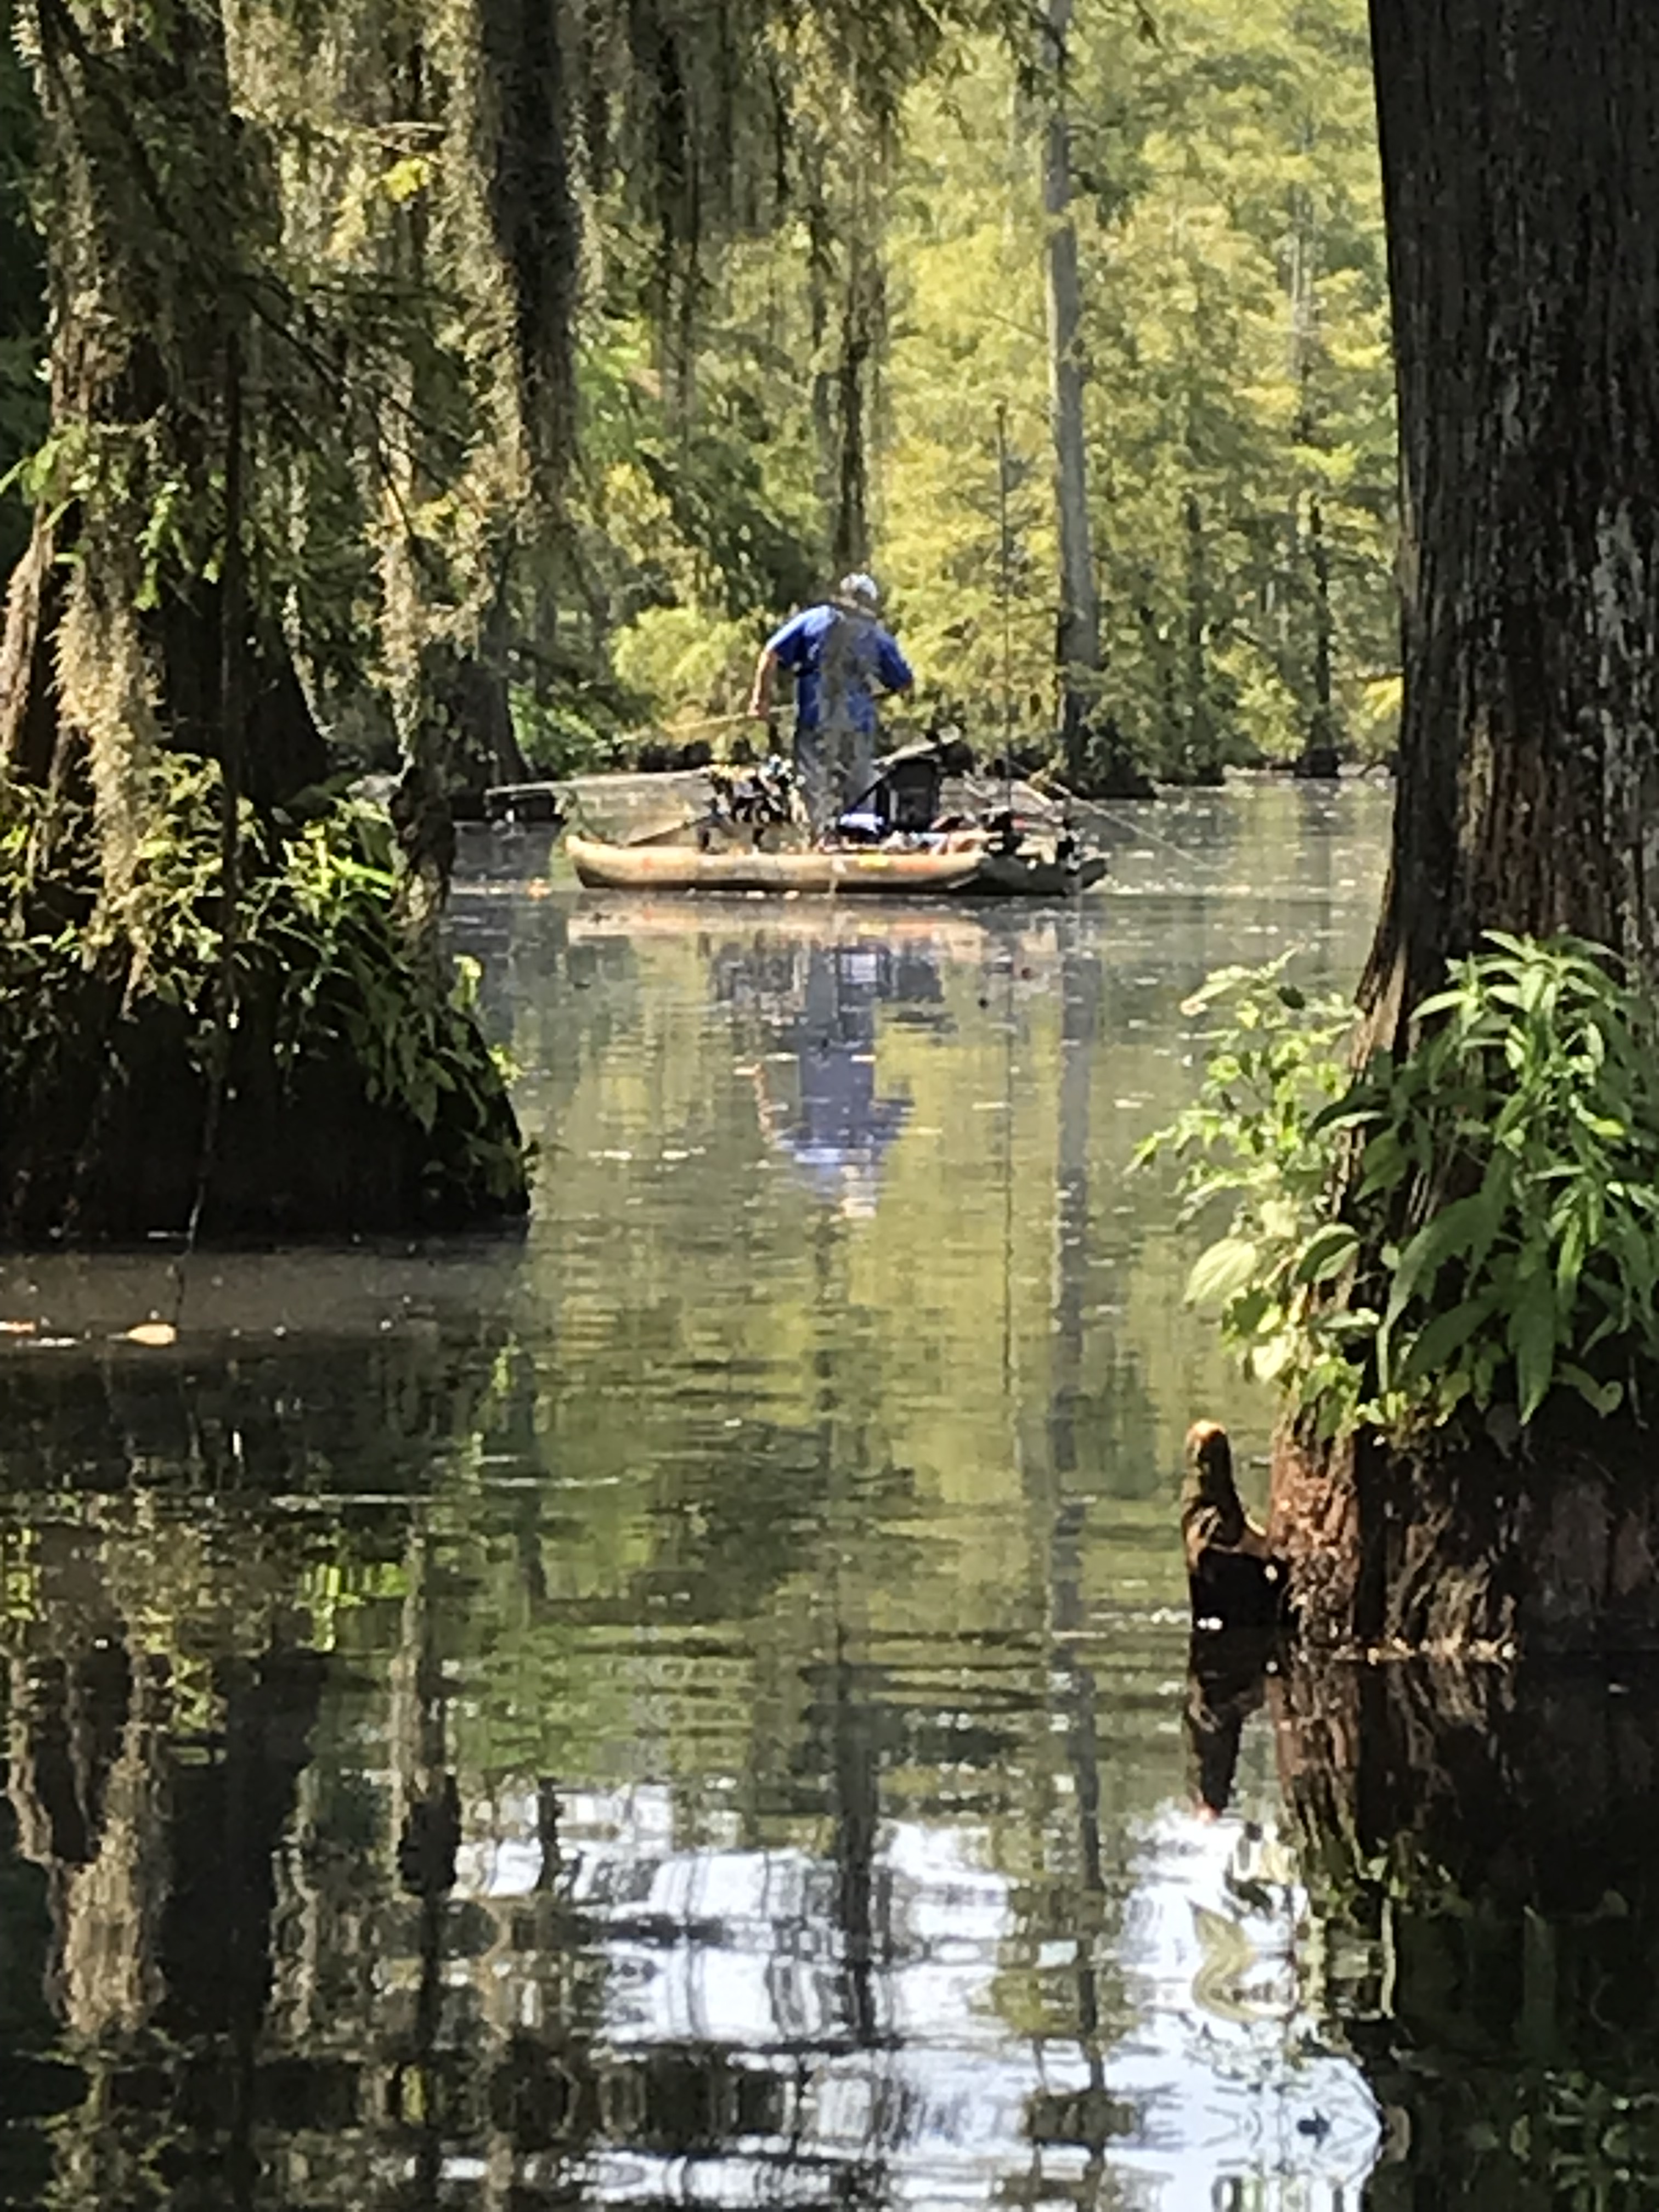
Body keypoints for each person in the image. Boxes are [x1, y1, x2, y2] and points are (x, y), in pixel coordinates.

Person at [747, 573, 914, 839]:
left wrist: (761, 700)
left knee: (812, 786)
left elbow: (771, 653)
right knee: (859, 787)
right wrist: (879, 694)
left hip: (814, 718)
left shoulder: (813, 619)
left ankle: (816, 840)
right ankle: (860, 841)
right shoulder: (876, 634)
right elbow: (905, 682)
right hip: (858, 722)